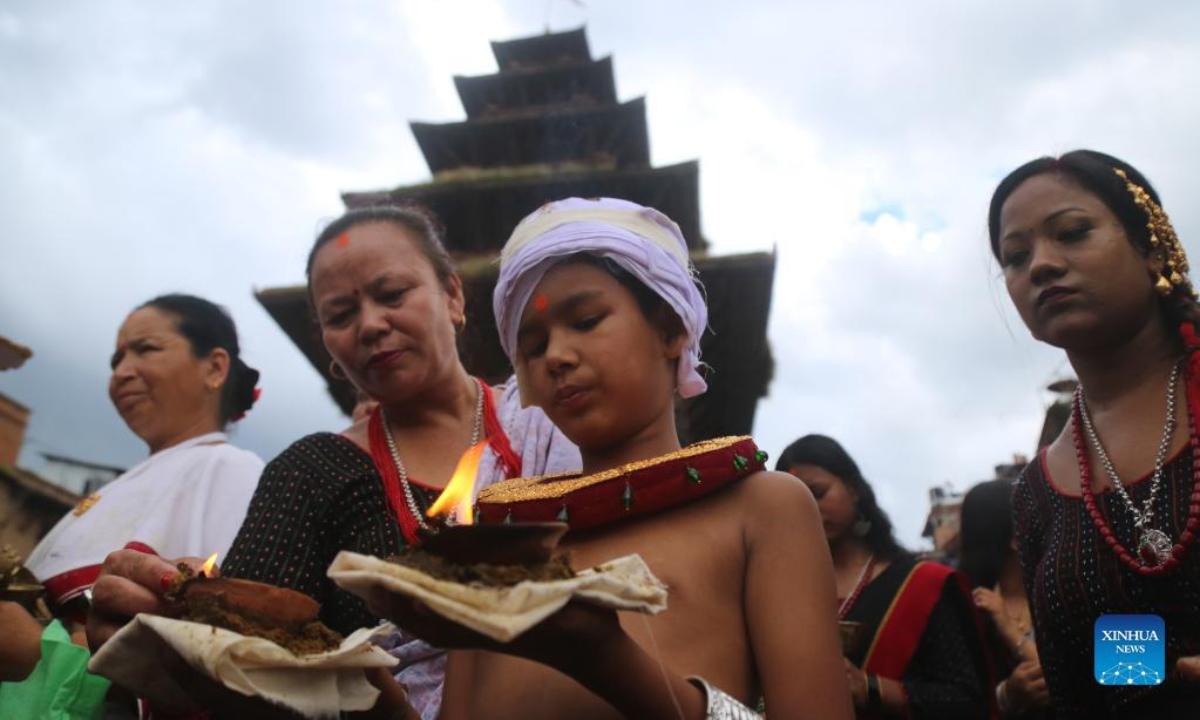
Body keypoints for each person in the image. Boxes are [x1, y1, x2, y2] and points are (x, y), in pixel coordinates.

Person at [366, 197, 853, 719]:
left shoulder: (761, 507)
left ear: (670, 329)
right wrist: (373, 697)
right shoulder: (498, 545)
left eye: (588, 320)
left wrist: (605, 657)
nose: (556, 355)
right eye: (532, 347)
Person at [87, 205, 580, 719]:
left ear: (453, 296)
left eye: (392, 295)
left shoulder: (559, 420)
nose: (370, 325)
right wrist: (184, 617)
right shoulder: (311, 473)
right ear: (327, 343)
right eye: (341, 316)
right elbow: (250, 667)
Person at [989, 150, 1200, 718]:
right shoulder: (1038, 490)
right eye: (1015, 256)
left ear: (1151, 245)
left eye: (1073, 232)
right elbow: (1091, 677)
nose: (1041, 265)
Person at [11, 293, 263, 717]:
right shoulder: (126, 482)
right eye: (115, 360)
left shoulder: (232, 469)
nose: (121, 372)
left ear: (215, 367)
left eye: (146, 349)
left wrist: (38, 651)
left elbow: (225, 653)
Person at [777, 434, 992, 718]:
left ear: (853, 490)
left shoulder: (922, 584)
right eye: (794, 502)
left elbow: (967, 700)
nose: (808, 509)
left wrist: (870, 687)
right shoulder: (778, 592)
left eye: (817, 493)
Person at [960, 478, 1050, 718]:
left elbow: (1133, 673)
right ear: (1013, 537)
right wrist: (1007, 695)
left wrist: (1011, 631)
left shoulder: (1065, 586)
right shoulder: (964, 608)